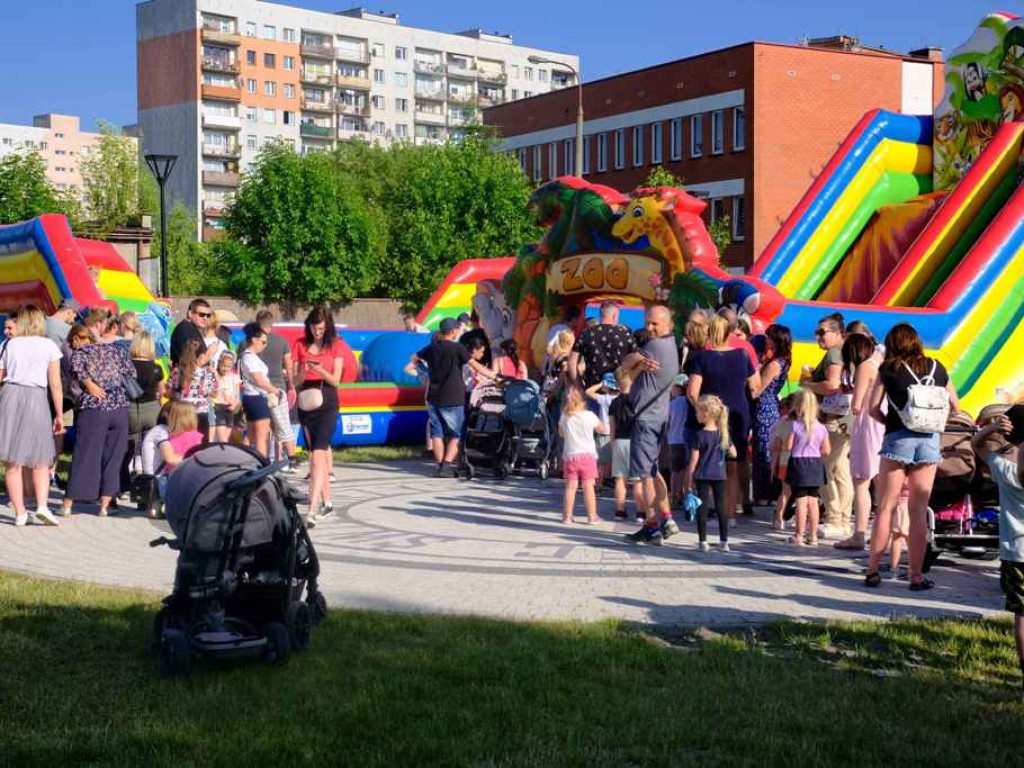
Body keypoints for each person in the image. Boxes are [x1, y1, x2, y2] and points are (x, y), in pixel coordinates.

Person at [864, 323, 960, 591]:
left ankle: (873, 570)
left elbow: (872, 408)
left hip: (898, 438)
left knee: (886, 507)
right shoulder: (937, 367)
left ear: (892, 344)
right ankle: (915, 576)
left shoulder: (888, 369)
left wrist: (890, 424)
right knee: (918, 512)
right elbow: (956, 406)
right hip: (929, 442)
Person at [686, 315, 761, 526]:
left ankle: (711, 508)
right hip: (738, 413)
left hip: (714, 416)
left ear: (709, 333)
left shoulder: (701, 357)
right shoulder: (742, 355)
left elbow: (692, 392)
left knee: (709, 462)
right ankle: (730, 515)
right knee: (733, 465)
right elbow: (754, 387)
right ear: (729, 333)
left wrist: (702, 411)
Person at [970, 408, 1024, 697]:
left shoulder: (1004, 469)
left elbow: (975, 445)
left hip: (1017, 554)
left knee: (1021, 618)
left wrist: (990, 430)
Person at [61, 316, 137, 518]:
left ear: (76, 339)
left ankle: (68, 503)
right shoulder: (117, 350)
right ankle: (104, 506)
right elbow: (131, 373)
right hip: (119, 408)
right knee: (114, 457)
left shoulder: (80, 354)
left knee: (85, 454)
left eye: (71, 342)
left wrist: (90, 385)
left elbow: (78, 374)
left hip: (94, 409)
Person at [0, 306, 64, 526]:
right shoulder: (49, 345)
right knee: (40, 456)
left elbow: (1, 375)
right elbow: (55, 384)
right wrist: (59, 414)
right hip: (37, 395)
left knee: (12, 460)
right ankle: (43, 505)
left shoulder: (10, 344)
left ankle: (19, 512)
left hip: (10, 394)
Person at [622, 305, 680, 546]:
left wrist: (632, 361)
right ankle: (667, 518)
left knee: (644, 475)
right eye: (648, 323)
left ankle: (652, 525)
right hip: (659, 416)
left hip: (646, 418)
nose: (650, 328)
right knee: (654, 469)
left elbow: (622, 370)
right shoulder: (672, 345)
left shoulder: (653, 347)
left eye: (655, 323)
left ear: (668, 323)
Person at [411, 317, 491, 477]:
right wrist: (494, 375)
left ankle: (440, 466)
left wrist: (424, 372)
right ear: (454, 331)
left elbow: (414, 359)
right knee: (458, 433)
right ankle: (446, 465)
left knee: (437, 432)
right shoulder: (458, 348)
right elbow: (476, 366)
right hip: (453, 396)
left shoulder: (431, 348)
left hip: (433, 396)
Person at [800, 312, 853, 539]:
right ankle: (842, 519)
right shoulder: (845, 350)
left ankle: (834, 519)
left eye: (823, 332)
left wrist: (809, 384)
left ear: (837, 333)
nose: (818, 336)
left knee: (823, 469)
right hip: (846, 420)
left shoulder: (834, 352)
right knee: (841, 471)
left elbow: (832, 385)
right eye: (817, 332)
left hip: (834, 420)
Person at [292, 307, 345, 521]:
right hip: (306, 401)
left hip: (328, 400)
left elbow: (336, 380)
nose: (317, 332)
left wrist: (321, 369)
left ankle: (311, 510)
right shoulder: (300, 344)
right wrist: (304, 372)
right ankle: (328, 503)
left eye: (322, 328)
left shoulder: (336, 345)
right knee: (317, 455)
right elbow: (294, 382)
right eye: (314, 327)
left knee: (317, 456)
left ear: (328, 327)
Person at [835, 333, 885, 551]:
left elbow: (856, 405)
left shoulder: (866, 366)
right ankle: (888, 532)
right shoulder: (884, 362)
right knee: (883, 482)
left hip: (868, 424)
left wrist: (853, 392)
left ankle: (859, 534)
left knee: (862, 481)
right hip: (885, 423)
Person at [685, 395, 736, 552]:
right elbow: (734, 453)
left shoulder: (699, 435)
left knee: (703, 508)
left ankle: (703, 542)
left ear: (706, 414)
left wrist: (688, 480)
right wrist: (722, 454)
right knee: (721, 507)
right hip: (720, 475)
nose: (696, 415)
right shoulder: (723, 434)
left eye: (698, 412)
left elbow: (693, 461)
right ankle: (724, 542)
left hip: (702, 475)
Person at [752, 324, 792, 504]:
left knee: (763, 450)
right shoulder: (782, 360)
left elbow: (758, 389)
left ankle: (765, 493)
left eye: (769, 336)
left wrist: (755, 369)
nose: (765, 338)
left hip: (765, 407)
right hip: (769, 406)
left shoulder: (775, 364)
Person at [786, 388, 831, 546]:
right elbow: (826, 450)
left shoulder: (795, 426)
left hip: (799, 463)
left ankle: (799, 534)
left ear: (798, 406)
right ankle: (813, 536)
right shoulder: (822, 428)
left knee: (800, 501)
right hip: (815, 464)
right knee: (813, 500)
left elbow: (788, 446)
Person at [256, 310, 298, 471]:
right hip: (278, 387)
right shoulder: (281, 341)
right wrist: (291, 386)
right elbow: (288, 364)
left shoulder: (249, 341)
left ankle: (266, 459)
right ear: (271, 325)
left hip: (258, 389)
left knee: (264, 428)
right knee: (283, 425)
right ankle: (291, 459)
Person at [558, 385, 605, 524]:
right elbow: (602, 428)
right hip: (588, 456)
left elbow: (561, 433)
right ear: (583, 402)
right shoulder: (589, 416)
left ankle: (567, 516)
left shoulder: (565, 417)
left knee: (571, 486)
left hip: (571, 456)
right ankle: (592, 517)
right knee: (588, 486)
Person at [122, 331, 164, 488]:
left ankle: (123, 484)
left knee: (127, 448)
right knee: (149, 447)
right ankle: (147, 486)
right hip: (151, 408)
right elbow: (162, 390)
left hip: (130, 408)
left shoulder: (126, 365)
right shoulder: (156, 368)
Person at [569, 300, 637, 389]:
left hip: (592, 391)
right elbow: (637, 359)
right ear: (615, 316)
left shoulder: (586, 333)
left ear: (601, 315)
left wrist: (580, 388)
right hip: (618, 392)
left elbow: (571, 363)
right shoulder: (626, 334)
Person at [239, 323, 282, 461]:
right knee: (262, 437)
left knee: (251, 435)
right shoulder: (249, 357)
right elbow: (259, 381)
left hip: (251, 397)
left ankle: (239, 460)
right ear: (254, 340)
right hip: (256, 398)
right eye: (263, 342)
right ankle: (262, 466)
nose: (265, 345)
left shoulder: (249, 356)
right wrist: (275, 390)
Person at [608, 372, 643, 520]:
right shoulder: (638, 400)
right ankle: (641, 511)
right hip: (636, 441)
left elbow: (612, 426)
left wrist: (612, 442)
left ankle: (620, 511)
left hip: (619, 441)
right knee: (637, 480)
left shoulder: (614, 402)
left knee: (620, 479)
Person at [168, 341, 216, 435]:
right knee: (201, 445)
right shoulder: (206, 373)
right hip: (201, 412)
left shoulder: (177, 372)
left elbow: (168, 393)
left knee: (182, 443)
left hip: (182, 412)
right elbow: (213, 394)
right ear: (201, 357)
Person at [584, 373, 618, 492]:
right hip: (617, 432)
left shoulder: (605, 398)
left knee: (602, 462)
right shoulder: (619, 397)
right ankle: (609, 481)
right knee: (613, 460)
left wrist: (600, 384)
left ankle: (598, 485)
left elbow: (588, 392)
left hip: (605, 432)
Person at [769, 395, 795, 530]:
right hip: (800, 461)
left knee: (785, 492)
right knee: (804, 494)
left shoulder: (781, 422)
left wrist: (773, 465)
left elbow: (775, 447)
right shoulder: (802, 422)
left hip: (784, 461)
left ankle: (778, 519)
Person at [170, 298, 219, 368]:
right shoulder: (186, 330)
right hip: (187, 378)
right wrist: (209, 353)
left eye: (208, 315)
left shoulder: (190, 328)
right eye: (201, 314)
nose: (205, 318)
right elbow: (189, 367)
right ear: (190, 313)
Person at [666, 374, 690, 507]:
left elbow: (666, 423)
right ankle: (685, 494)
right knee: (687, 470)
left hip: (674, 440)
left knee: (675, 471)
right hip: (687, 440)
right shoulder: (690, 402)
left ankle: (674, 496)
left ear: (677, 388)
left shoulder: (671, 404)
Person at [210, 351, 241, 443]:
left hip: (229, 409)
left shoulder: (234, 378)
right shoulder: (215, 376)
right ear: (219, 364)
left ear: (232, 367)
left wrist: (235, 404)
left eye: (228, 367)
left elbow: (237, 395)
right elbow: (217, 387)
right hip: (217, 407)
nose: (225, 369)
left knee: (225, 441)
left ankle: (220, 455)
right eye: (223, 366)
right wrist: (215, 374)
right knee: (222, 440)